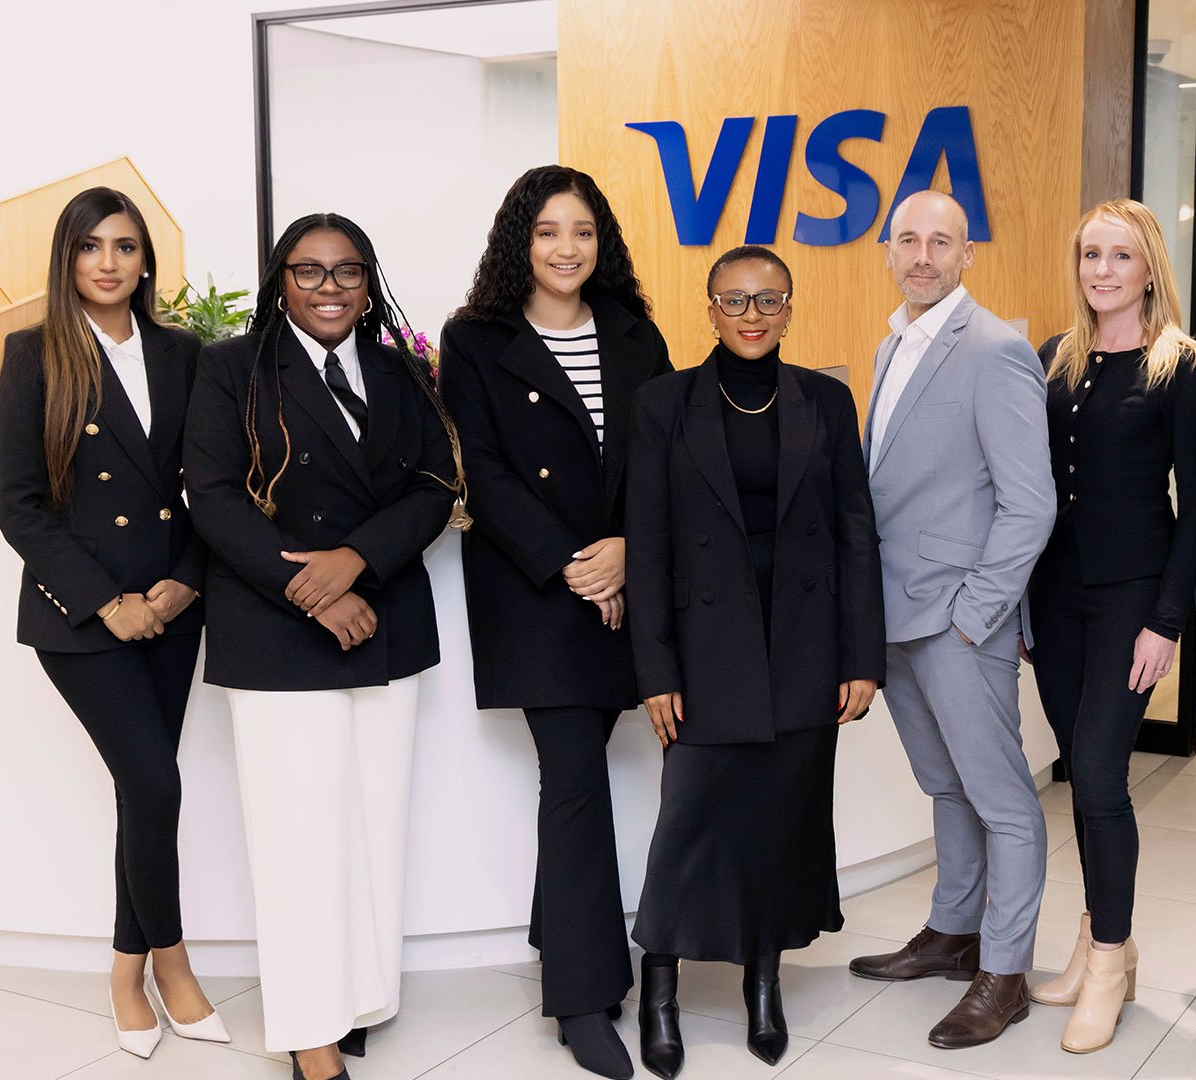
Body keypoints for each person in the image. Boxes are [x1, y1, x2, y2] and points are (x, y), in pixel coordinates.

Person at [183, 213, 466, 1080]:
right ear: (280, 282)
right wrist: (309, 589)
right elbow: (213, 493)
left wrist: (358, 563)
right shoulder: (232, 367)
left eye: (347, 271)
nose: (330, 287)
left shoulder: (400, 369)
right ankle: (311, 1035)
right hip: (275, 630)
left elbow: (433, 484)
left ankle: (358, 1000)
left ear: (368, 282)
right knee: (298, 838)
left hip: (383, 620)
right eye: (309, 271)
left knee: (374, 826)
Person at [628, 246, 885, 1077]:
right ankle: (659, 985)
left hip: (804, 644)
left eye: (767, 300)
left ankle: (763, 982)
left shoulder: (826, 400)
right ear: (708, 310)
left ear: (789, 307)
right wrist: (656, 670)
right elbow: (650, 546)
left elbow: (856, 534)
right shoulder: (663, 403)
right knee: (692, 822)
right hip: (705, 649)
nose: (751, 315)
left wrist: (861, 655)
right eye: (733, 300)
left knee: (783, 820)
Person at [438, 165, 670, 1080]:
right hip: (537, 594)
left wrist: (626, 550)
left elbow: (661, 459)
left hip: (628, 585)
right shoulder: (475, 338)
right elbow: (480, 472)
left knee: (580, 776)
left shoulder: (634, 333)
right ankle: (582, 997)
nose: (567, 249)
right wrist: (578, 563)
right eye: (547, 233)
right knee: (574, 780)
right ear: (517, 244)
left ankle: (556, 935)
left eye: (581, 232)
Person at [0, 186, 228, 1060]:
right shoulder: (35, 354)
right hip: (82, 619)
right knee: (157, 784)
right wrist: (105, 601)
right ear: (66, 259)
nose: (107, 263)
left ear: (145, 261)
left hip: (170, 608)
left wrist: (181, 586)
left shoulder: (184, 352)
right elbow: (17, 504)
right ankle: (165, 961)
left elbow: (210, 484)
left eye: (124, 246)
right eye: (90, 247)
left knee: (144, 787)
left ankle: (126, 968)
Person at [846, 190, 1056, 1049]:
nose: (923, 255)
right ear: (887, 251)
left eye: (942, 242)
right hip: (897, 616)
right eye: (908, 240)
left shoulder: (997, 350)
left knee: (1003, 800)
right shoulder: (893, 343)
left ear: (969, 254)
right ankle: (951, 934)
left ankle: (1003, 975)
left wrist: (975, 615)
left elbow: (1030, 504)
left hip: (960, 621)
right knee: (946, 788)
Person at [1019, 198, 1196, 1053]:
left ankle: (1107, 962)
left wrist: (1167, 621)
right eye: (1090, 254)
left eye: (1120, 256)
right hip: (1055, 597)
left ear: (1149, 267)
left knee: (1099, 776)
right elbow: (1028, 493)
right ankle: (1106, 939)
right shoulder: (1053, 360)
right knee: (1078, 780)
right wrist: (1021, 602)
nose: (1102, 270)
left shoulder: (1182, 366)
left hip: (1133, 597)